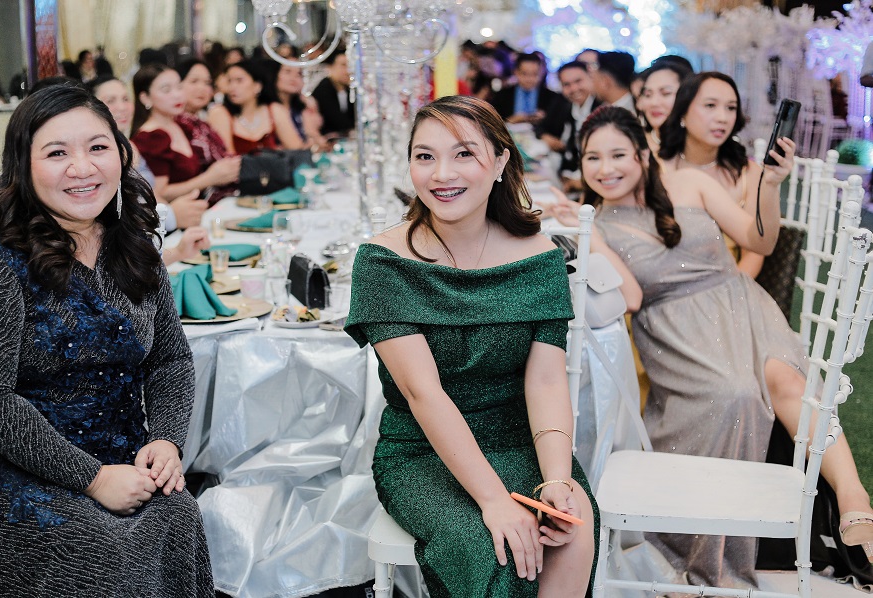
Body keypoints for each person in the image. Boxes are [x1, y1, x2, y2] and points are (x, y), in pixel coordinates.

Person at [551, 105, 873, 588]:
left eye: (618, 154)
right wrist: (591, 235)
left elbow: (759, 240)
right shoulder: (595, 221)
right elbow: (631, 298)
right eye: (592, 158)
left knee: (788, 380)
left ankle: (854, 500)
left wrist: (769, 184)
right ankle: (707, 545)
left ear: (642, 154)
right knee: (733, 394)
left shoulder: (690, 183)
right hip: (673, 331)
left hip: (739, 302)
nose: (605, 168)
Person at [0, 84, 214, 596]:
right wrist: (93, 478)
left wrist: (166, 439)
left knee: (179, 513)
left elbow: (169, 359)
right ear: (23, 166)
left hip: (115, 455)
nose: (82, 167)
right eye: (57, 153)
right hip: (0, 469)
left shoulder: (131, 242)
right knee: (100, 549)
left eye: (98, 147)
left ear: (120, 154)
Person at [344, 95, 599, 597]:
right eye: (425, 156)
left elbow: (547, 381)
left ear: (501, 161)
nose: (442, 174)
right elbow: (423, 394)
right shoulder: (383, 263)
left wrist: (556, 478)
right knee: (497, 551)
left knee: (573, 531)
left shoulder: (539, 257)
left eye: (464, 154)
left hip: (522, 441)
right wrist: (494, 500)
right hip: (423, 452)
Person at [658, 72, 765, 278]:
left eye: (731, 108)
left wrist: (728, 291)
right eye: (710, 105)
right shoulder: (657, 169)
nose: (722, 118)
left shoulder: (749, 174)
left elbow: (754, 253)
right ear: (682, 113)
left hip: (729, 283)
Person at [89, 76, 210, 257]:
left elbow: (150, 193)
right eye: (111, 100)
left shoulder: (128, 145)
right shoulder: (98, 155)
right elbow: (120, 215)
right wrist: (172, 215)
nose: (122, 107)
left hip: (155, 239)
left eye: (125, 99)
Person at [131, 64, 242, 207]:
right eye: (166, 90)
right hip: (178, 215)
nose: (177, 95)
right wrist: (209, 178)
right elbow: (159, 193)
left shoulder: (182, 125)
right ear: (146, 98)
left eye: (179, 87)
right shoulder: (150, 138)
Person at [206, 60, 306, 154]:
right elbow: (227, 157)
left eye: (239, 81)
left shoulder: (274, 110)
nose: (232, 87)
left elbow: (297, 150)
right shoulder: (220, 113)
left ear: (257, 86)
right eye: (229, 81)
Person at [538, 60, 601, 189]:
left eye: (578, 81)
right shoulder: (565, 104)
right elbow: (541, 127)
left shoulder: (601, 109)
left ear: (590, 78)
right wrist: (546, 136)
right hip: (567, 174)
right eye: (566, 84)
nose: (574, 89)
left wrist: (576, 182)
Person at [265, 60, 327, 150]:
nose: (293, 78)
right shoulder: (269, 109)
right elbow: (296, 148)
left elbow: (317, 139)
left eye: (299, 74)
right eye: (287, 71)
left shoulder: (301, 108)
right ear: (274, 74)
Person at [636, 61, 693, 155]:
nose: (654, 103)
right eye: (648, 95)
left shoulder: (704, 144)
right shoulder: (635, 145)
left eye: (666, 93)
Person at [490, 52, 560, 125]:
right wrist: (510, 121)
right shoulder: (502, 95)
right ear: (516, 72)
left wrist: (546, 119)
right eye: (524, 73)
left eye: (534, 74)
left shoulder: (552, 98)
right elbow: (492, 124)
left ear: (541, 73)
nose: (529, 79)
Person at [310, 49, 355, 137]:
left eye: (350, 66)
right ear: (330, 67)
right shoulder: (323, 90)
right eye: (343, 65)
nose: (348, 71)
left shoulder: (349, 90)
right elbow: (338, 122)